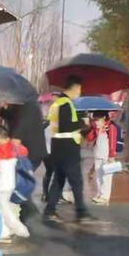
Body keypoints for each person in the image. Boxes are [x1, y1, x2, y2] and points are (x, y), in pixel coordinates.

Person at [44, 75, 96, 223]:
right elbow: (65, 126)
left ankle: (50, 210)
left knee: (59, 180)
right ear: (75, 88)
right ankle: (81, 212)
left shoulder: (57, 103)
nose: (80, 91)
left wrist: (82, 126)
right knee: (76, 181)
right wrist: (82, 123)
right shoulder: (66, 103)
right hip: (68, 148)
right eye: (80, 88)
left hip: (58, 146)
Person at [0, 126, 30, 241]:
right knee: (3, 207)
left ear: (3, 139)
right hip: (10, 185)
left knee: (1, 210)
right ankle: (9, 230)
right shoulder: (16, 148)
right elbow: (25, 151)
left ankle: (6, 232)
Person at [86, 111, 118, 205]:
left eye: (97, 120)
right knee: (99, 176)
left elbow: (112, 142)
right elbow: (89, 138)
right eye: (94, 120)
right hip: (98, 155)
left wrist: (111, 156)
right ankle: (99, 194)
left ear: (104, 118)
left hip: (107, 156)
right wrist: (92, 128)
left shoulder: (111, 127)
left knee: (107, 177)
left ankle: (105, 197)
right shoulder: (96, 128)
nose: (96, 122)